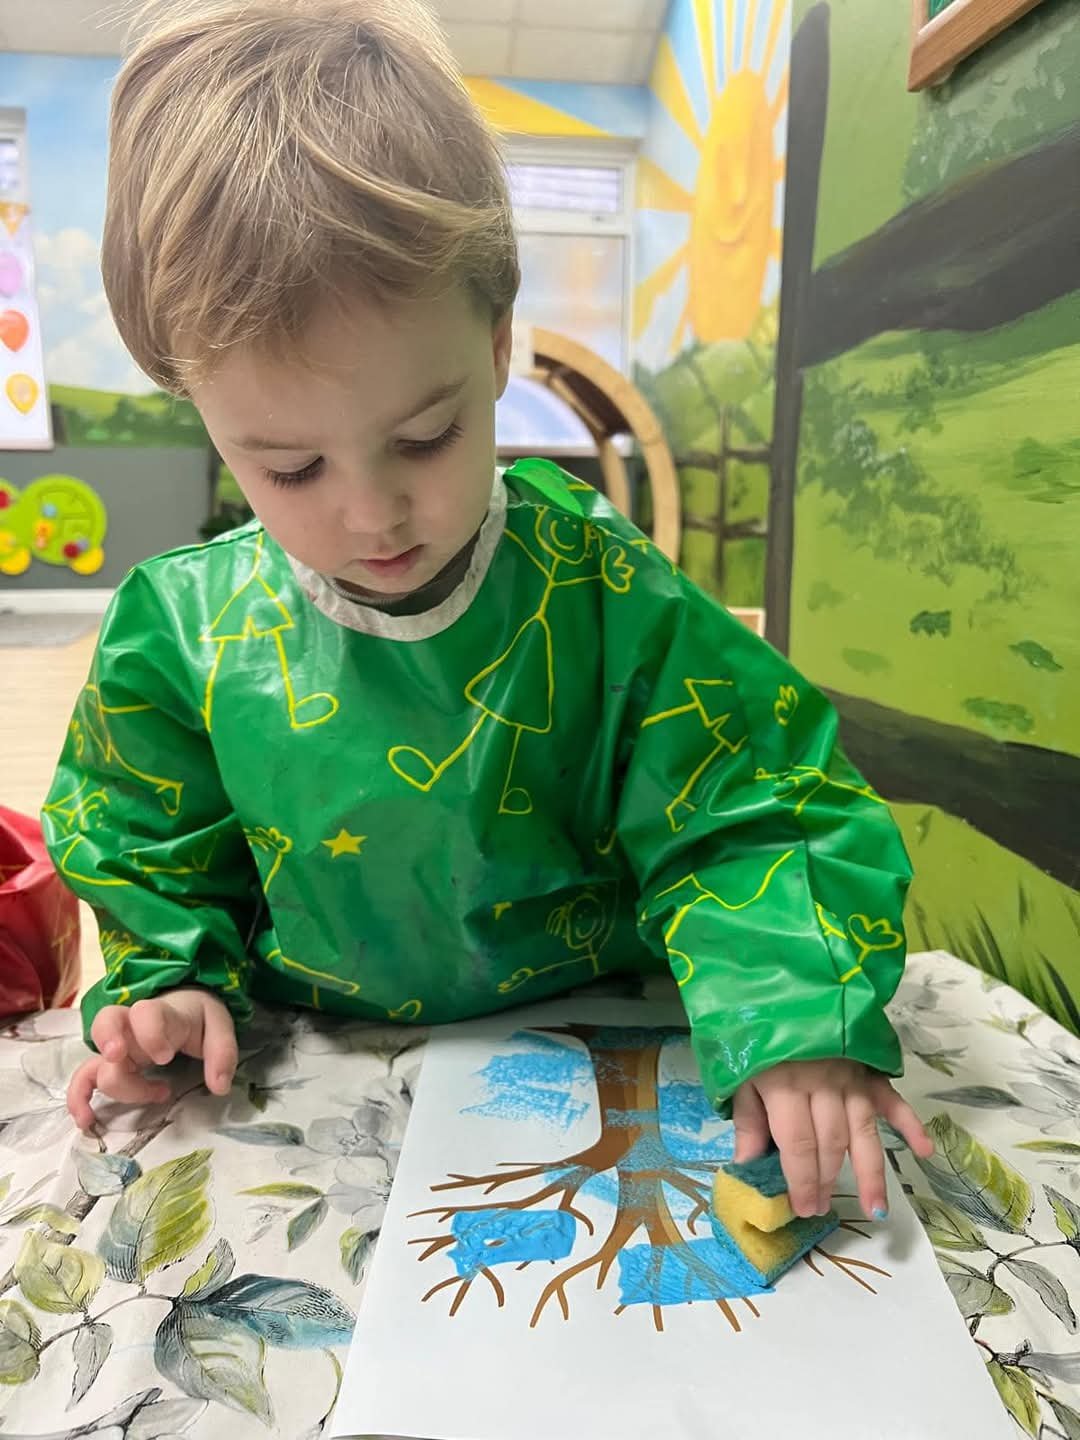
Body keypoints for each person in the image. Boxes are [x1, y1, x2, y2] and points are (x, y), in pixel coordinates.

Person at [44, 0, 932, 1222]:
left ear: (502, 341)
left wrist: (794, 1015)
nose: (373, 514)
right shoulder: (181, 633)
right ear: (194, 404)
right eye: (289, 468)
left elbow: (756, 807)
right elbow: (152, 849)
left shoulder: (605, 591)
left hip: (608, 1046)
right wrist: (169, 987)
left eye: (426, 435)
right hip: (326, 1086)